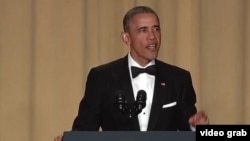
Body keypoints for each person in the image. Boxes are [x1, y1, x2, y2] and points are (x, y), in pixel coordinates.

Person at [54, 5, 208, 141]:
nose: (152, 37)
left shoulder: (179, 79)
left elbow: (188, 130)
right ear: (126, 38)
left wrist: (197, 128)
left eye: (156, 28)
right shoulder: (102, 77)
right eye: (143, 30)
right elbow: (85, 129)